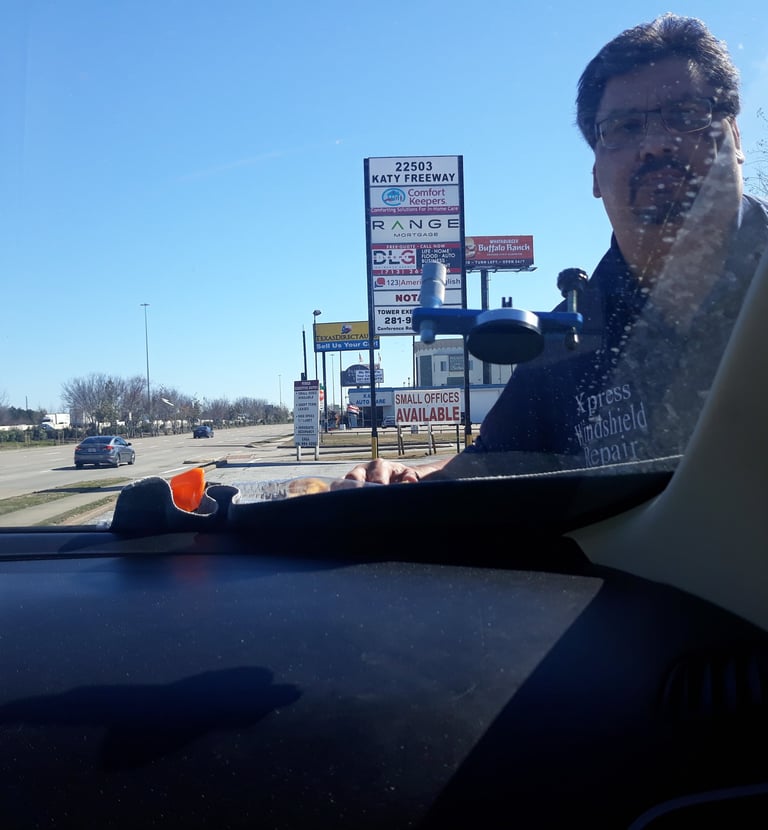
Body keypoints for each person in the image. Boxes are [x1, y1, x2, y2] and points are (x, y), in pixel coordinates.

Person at [346, 13, 768, 485]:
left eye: (686, 116)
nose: (653, 145)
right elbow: (494, 461)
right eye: (624, 128)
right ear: (594, 174)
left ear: (733, 136)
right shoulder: (565, 344)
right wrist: (410, 479)